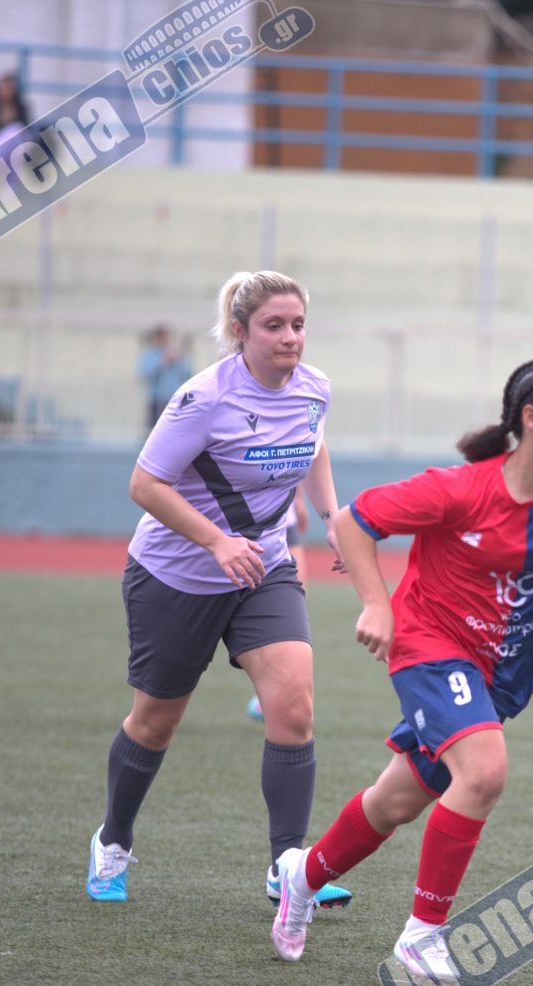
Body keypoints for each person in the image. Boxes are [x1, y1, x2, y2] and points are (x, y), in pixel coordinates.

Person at [270, 356, 533, 983]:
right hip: (430, 645)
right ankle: (423, 936)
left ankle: (301, 878)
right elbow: (354, 523)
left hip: (502, 677)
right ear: (532, 419)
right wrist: (377, 605)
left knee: (395, 801)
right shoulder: (461, 489)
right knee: (484, 772)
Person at [85, 271, 352, 910]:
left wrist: (334, 520)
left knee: (293, 707)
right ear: (239, 330)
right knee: (156, 722)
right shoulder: (203, 398)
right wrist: (216, 542)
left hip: (265, 568)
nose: (290, 337)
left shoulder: (315, 388)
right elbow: (145, 484)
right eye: (273, 325)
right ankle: (113, 840)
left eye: (297, 325)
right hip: (175, 575)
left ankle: (288, 869)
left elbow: (314, 448)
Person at [248, 489, 308, 722]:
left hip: (281, 516)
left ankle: (276, 692)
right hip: (226, 521)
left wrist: (299, 498)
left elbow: (306, 462)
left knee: (295, 601)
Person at [138, 325, 193, 431]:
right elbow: (145, 374)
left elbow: (188, 373)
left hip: (173, 399)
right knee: (153, 429)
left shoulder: (177, 353)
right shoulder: (149, 354)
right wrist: (163, 363)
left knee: (172, 429)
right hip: (156, 400)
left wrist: (180, 358)